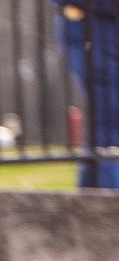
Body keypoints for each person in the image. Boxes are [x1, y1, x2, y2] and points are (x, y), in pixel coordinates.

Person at [54, 1, 119, 189]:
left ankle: (90, 204)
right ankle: (108, 206)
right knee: (108, 123)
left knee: (106, 129)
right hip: (90, 22)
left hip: (102, 22)